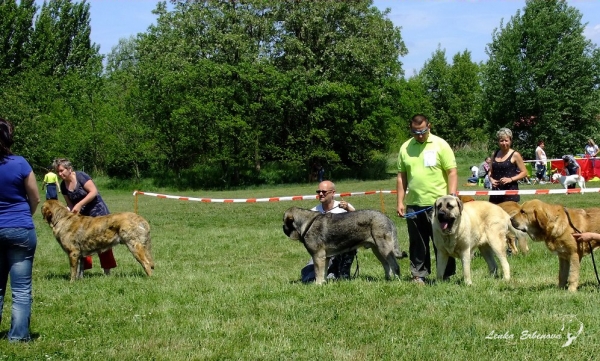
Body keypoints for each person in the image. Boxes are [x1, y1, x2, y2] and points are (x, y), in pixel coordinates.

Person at [396, 114, 457, 284]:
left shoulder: (441, 144)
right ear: (411, 130)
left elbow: (452, 171)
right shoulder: (405, 148)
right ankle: (418, 274)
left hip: (439, 206)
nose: (420, 135)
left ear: (429, 126)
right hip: (414, 204)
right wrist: (400, 201)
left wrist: (451, 196)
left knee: (442, 240)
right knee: (417, 242)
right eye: (416, 132)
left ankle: (445, 274)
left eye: (423, 131)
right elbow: (401, 177)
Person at [0, 117, 39, 342]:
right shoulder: (20, 163)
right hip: (20, 228)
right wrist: (25, 215)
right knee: (21, 289)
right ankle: (18, 337)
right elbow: (34, 197)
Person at [52, 158, 117, 275]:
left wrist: (80, 204)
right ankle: (84, 272)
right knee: (81, 243)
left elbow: (93, 192)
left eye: (62, 171)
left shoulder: (81, 176)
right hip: (81, 217)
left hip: (98, 213)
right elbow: (70, 204)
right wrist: (68, 213)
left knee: (103, 242)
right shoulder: (63, 186)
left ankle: (107, 272)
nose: (60, 174)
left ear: (69, 169)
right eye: (58, 172)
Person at [300, 180, 356, 283]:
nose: (320, 194)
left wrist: (348, 209)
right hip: (321, 250)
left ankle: (340, 273)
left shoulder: (344, 207)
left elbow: (359, 222)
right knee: (307, 275)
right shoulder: (313, 212)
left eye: (324, 192)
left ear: (333, 193)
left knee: (337, 276)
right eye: (318, 191)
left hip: (342, 250)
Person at [488, 128, 527, 204]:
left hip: (510, 194)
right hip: (495, 193)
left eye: (506, 140)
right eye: (501, 141)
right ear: (498, 142)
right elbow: (490, 171)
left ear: (510, 141)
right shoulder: (494, 154)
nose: (504, 143)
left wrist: (511, 179)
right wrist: (491, 180)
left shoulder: (515, 155)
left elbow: (524, 172)